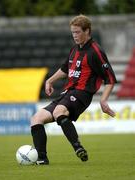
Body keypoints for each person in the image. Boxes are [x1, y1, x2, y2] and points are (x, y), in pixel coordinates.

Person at [31, 14, 117, 165]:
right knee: (36, 119)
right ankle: (42, 159)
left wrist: (103, 100)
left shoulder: (95, 51)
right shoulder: (75, 49)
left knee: (59, 111)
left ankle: (78, 147)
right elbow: (65, 69)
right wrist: (50, 80)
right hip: (67, 92)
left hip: (82, 94)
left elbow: (110, 78)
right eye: (73, 32)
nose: (75, 36)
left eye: (77, 32)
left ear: (87, 31)